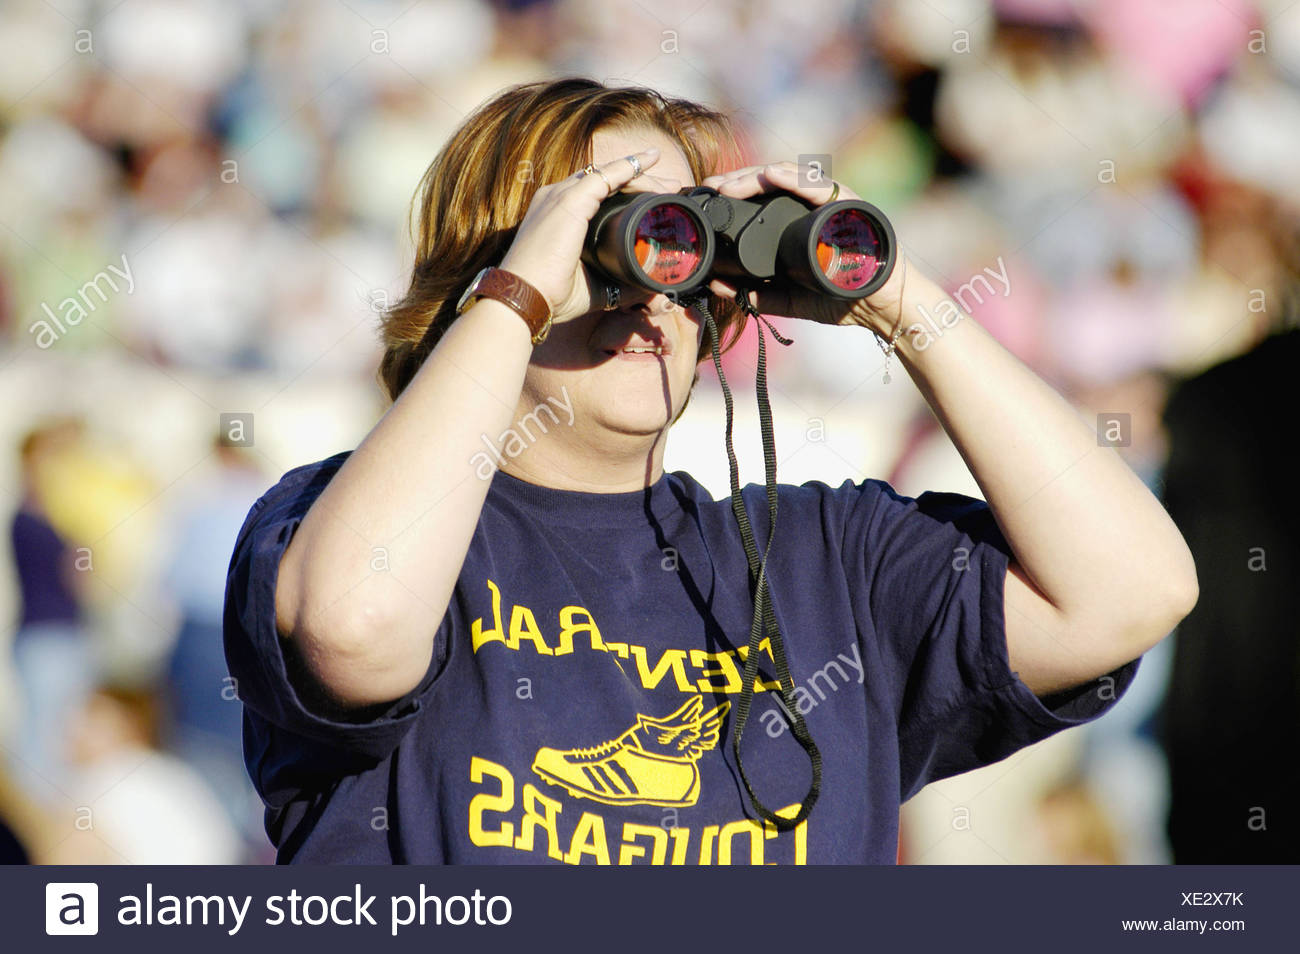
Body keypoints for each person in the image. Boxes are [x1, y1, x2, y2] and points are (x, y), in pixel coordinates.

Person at [224, 78, 1198, 864]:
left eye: (682, 241)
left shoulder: (825, 563)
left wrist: (900, 305)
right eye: (615, 233)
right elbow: (357, 632)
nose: (653, 288)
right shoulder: (336, 524)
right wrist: (519, 294)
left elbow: (1132, 591)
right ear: (488, 273)